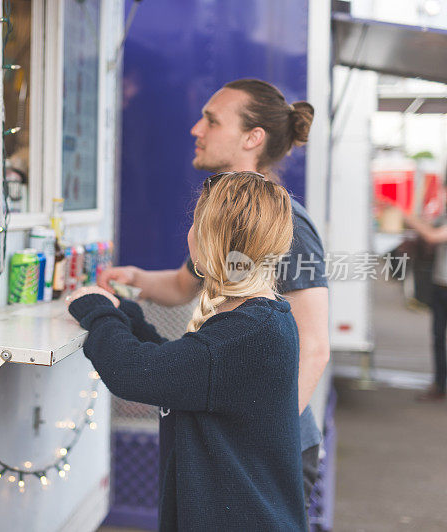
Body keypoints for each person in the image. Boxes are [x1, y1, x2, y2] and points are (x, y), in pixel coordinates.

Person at [99, 79, 330, 513]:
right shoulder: (229, 217)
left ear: (252, 138)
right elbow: (182, 286)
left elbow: (315, 347)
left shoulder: (284, 222)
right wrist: (130, 277)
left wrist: (260, 440)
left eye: (211, 119)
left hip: (262, 453)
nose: (195, 128)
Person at [68, 172, 305, 530]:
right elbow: (179, 369)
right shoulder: (257, 319)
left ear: (212, 239)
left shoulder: (246, 332)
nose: (189, 233)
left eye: (196, 222)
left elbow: (134, 373)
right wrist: (125, 315)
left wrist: (97, 310)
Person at [397, 209, 447, 401]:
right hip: (439, 286)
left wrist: (408, 216)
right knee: (438, 339)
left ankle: (440, 385)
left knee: (440, 339)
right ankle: (439, 385)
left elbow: (432, 236)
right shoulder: (442, 217)